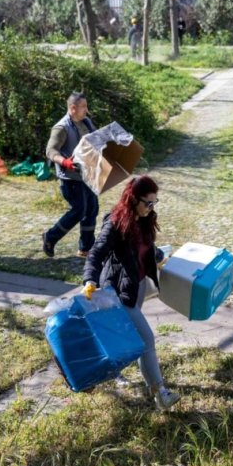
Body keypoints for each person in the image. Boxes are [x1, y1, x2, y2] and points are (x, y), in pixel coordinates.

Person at [82, 175, 180, 411]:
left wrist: (159, 258)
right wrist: (89, 280)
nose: (152, 207)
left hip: (137, 287)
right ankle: (160, 393)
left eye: (155, 202)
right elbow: (95, 254)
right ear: (133, 199)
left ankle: (104, 373)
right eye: (148, 203)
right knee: (146, 339)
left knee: (129, 339)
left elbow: (146, 248)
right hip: (118, 293)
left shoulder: (145, 219)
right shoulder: (115, 222)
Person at [40, 92, 99, 258]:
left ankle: (86, 248)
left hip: (88, 175)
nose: (86, 110)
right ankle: (50, 237)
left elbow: (95, 139)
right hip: (71, 178)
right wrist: (64, 162)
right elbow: (50, 151)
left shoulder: (86, 122)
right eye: (83, 107)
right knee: (80, 210)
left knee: (92, 209)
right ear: (72, 108)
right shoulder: (61, 128)